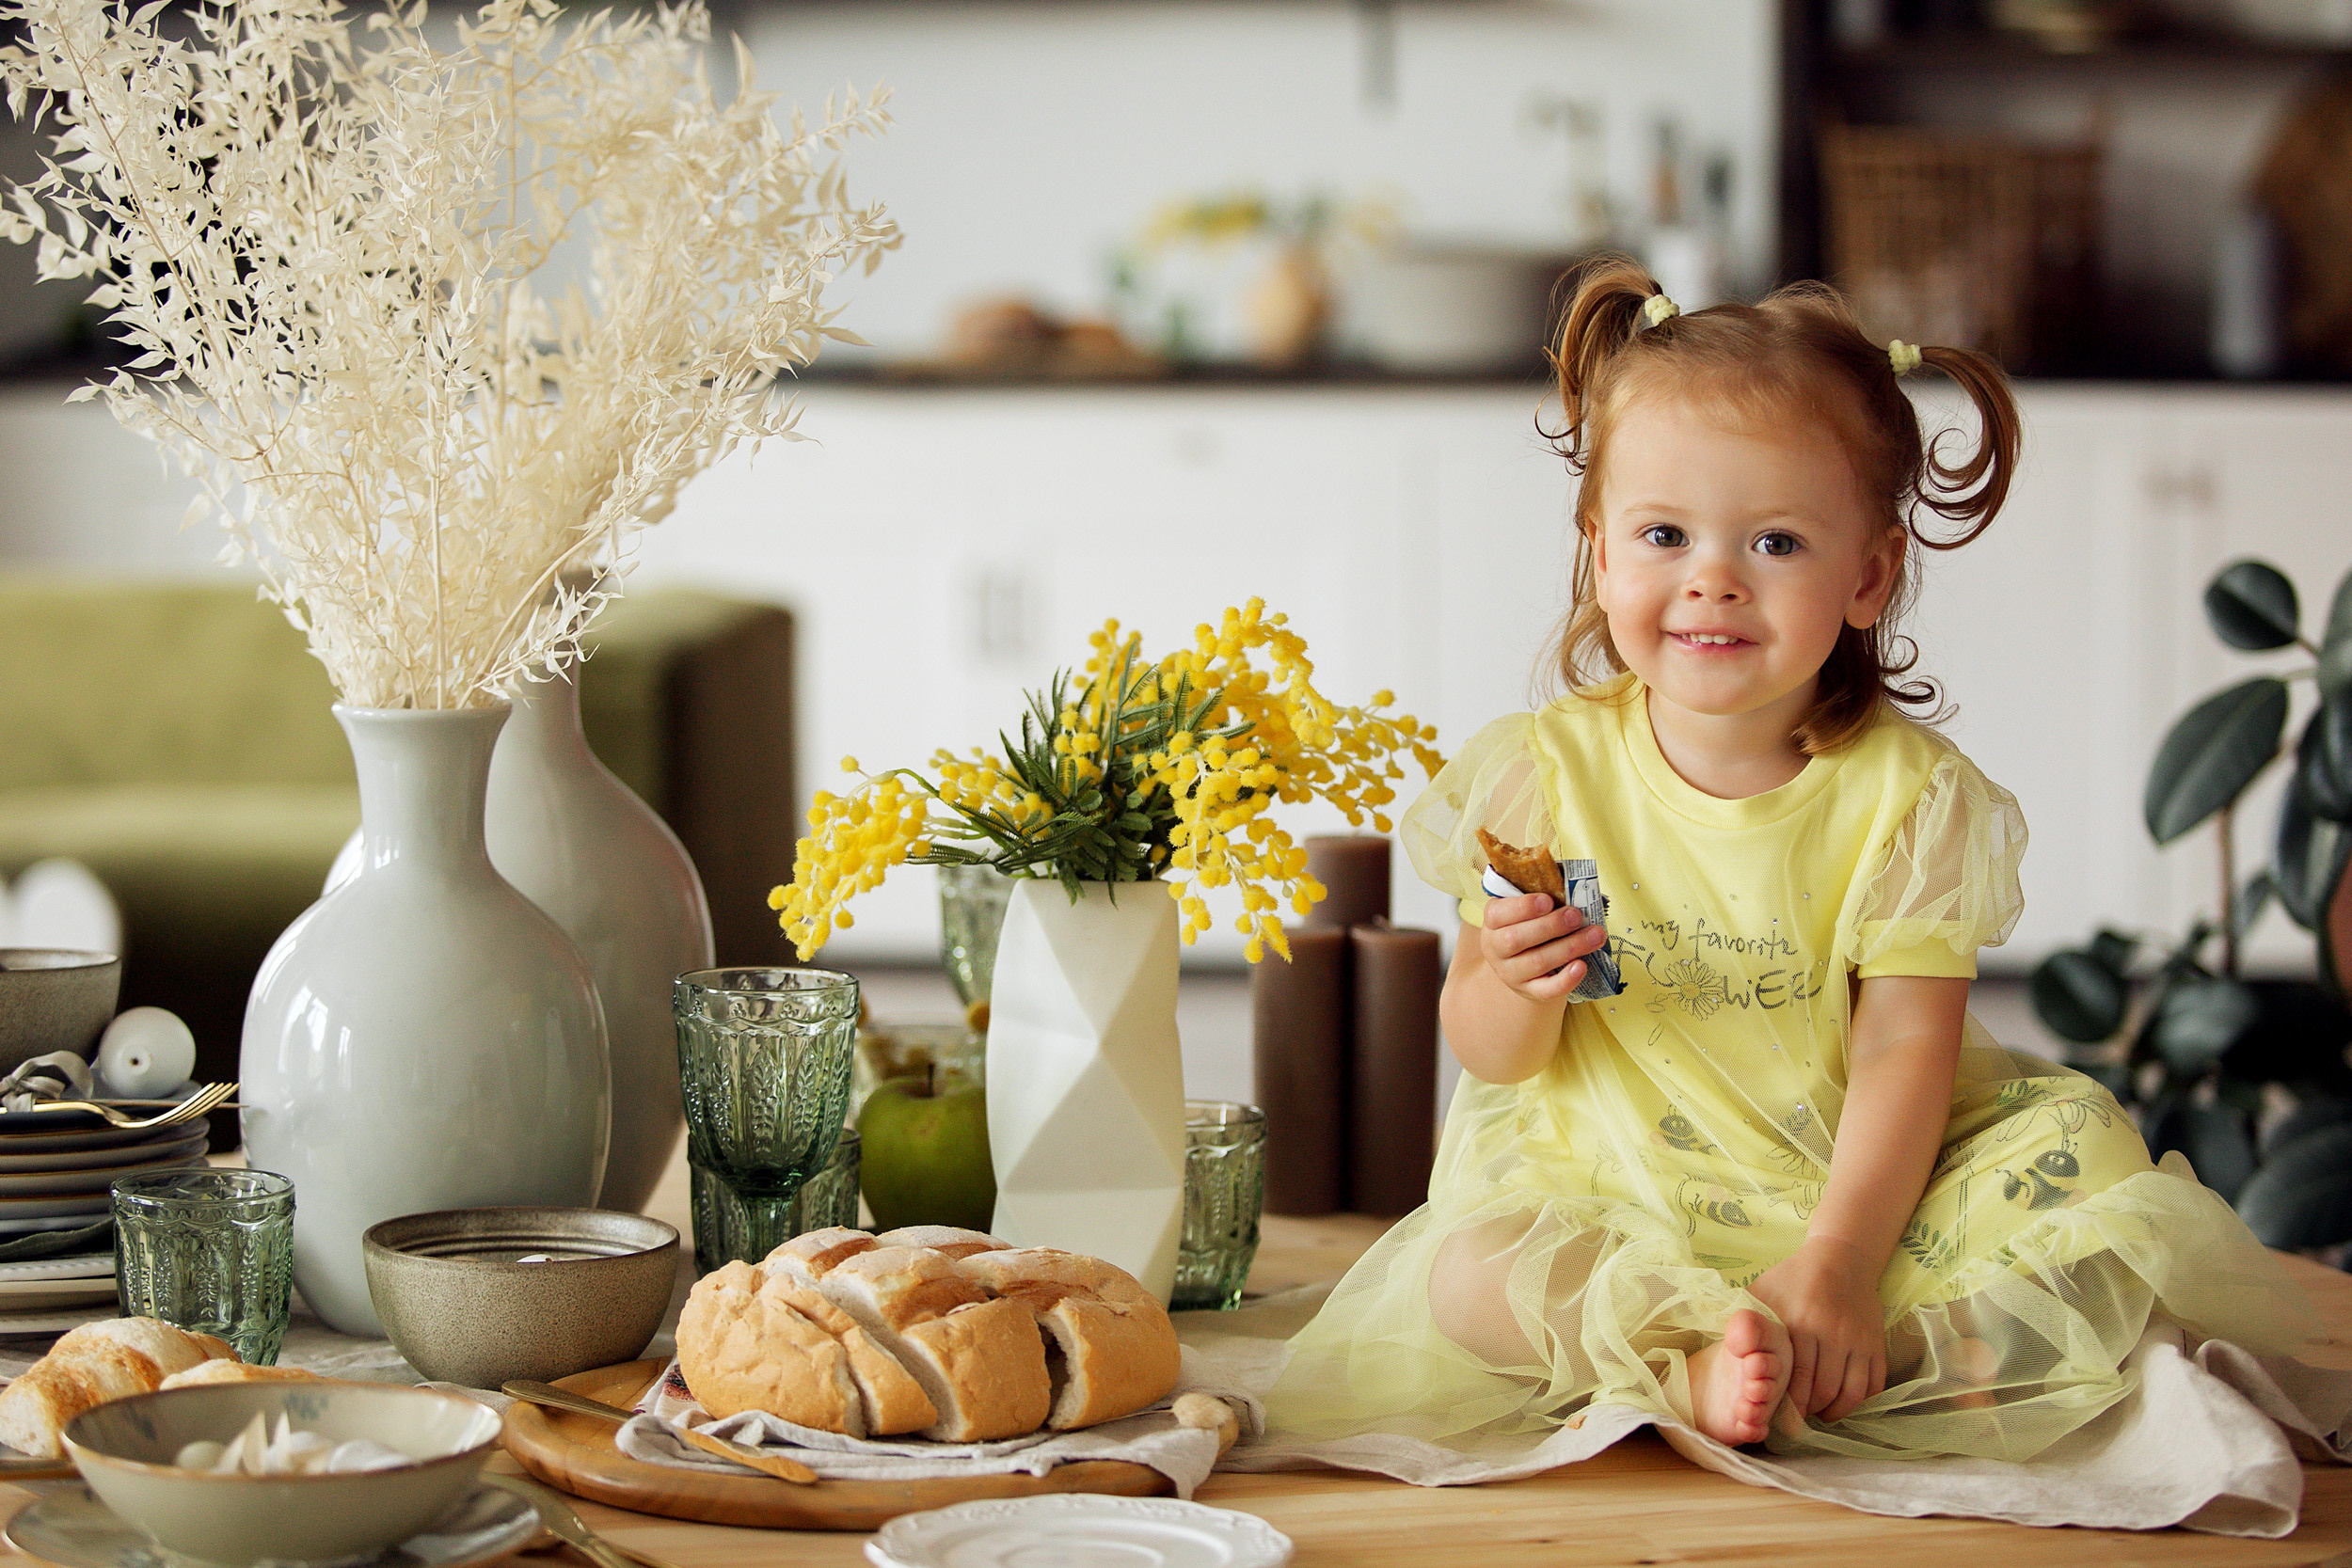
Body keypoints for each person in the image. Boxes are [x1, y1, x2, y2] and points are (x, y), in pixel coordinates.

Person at [1263, 261, 2313, 1463]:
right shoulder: (1541, 777)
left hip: (1854, 1181)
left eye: (1773, 540)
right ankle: (1700, 1351)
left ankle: (1855, 1334)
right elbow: (1489, 1053)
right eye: (1664, 533)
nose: (1712, 576)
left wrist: (1840, 1256)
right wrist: (1510, 981)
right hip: (1612, 1180)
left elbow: (1905, 1051)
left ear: (1866, 575)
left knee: (2093, 1170)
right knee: (1470, 1273)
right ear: (1600, 553)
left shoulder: (1910, 800)